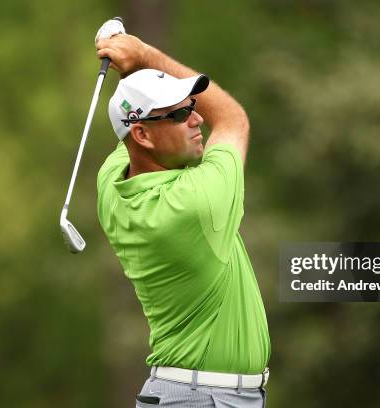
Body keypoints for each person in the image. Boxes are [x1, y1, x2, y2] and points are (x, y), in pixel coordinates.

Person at [95, 32, 271, 408]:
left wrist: (133, 73)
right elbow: (231, 119)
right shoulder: (193, 202)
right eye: (178, 114)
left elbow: (123, 130)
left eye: (191, 105)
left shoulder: (112, 184)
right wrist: (142, 55)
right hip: (205, 399)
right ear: (142, 134)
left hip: (191, 394)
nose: (197, 119)